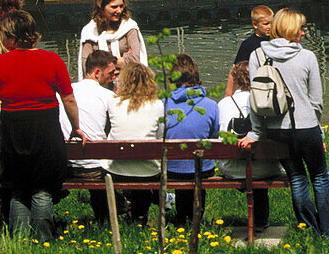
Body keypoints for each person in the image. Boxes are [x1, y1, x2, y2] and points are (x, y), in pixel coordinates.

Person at [0, 9, 83, 242]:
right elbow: (68, 99)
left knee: (19, 189)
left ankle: (19, 241)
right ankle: (42, 239)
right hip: (45, 130)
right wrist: (75, 126)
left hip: (13, 130)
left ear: (11, 38)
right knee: (43, 188)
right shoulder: (53, 60)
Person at [238, 8, 329, 238]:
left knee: (297, 177)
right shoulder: (307, 57)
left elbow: (256, 99)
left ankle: (308, 228)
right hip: (306, 127)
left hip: (276, 130)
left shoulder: (258, 56)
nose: (304, 33)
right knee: (320, 177)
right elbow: (316, 101)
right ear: (292, 30)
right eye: (301, 28)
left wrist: (256, 132)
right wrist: (317, 129)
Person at [217, 62, 279, 232]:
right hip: (264, 167)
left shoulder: (223, 104)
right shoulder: (265, 103)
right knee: (257, 166)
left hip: (231, 168)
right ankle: (260, 221)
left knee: (249, 165)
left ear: (235, 80)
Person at [163, 54, 219, 226]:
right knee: (197, 164)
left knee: (182, 164)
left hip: (172, 169)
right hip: (202, 169)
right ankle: (195, 217)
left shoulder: (163, 104)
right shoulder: (211, 105)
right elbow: (214, 135)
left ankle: (182, 219)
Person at [106, 62, 165, 223]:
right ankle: (140, 217)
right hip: (148, 171)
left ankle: (127, 213)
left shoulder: (113, 102)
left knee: (132, 165)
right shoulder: (158, 105)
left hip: (117, 169)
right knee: (143, 170)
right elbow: (160, 135)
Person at [69, 50, 117, 223]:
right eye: (111, 74)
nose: (113, 78)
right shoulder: (108, 96)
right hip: (94, 169)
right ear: (97, 73)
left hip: (66, 165)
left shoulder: (67, 91)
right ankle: (112, 215)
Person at [78, 0, 148, 80]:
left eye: (121, 6)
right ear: (102, 8)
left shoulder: (129, 27)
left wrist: (102, 66)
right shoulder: (90, 31)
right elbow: (87, 66)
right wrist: (121, 61)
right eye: (114, 7)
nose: (119, 11)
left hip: (127, 82)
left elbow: (135, 60)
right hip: (100, 86)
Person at [225, 5, 273, 97]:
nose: (270, 27)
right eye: (266, 24)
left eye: (272, 23)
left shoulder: (275, 40)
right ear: (255, 24)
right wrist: (229, 93)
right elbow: (235, 68)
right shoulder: (248, 44)